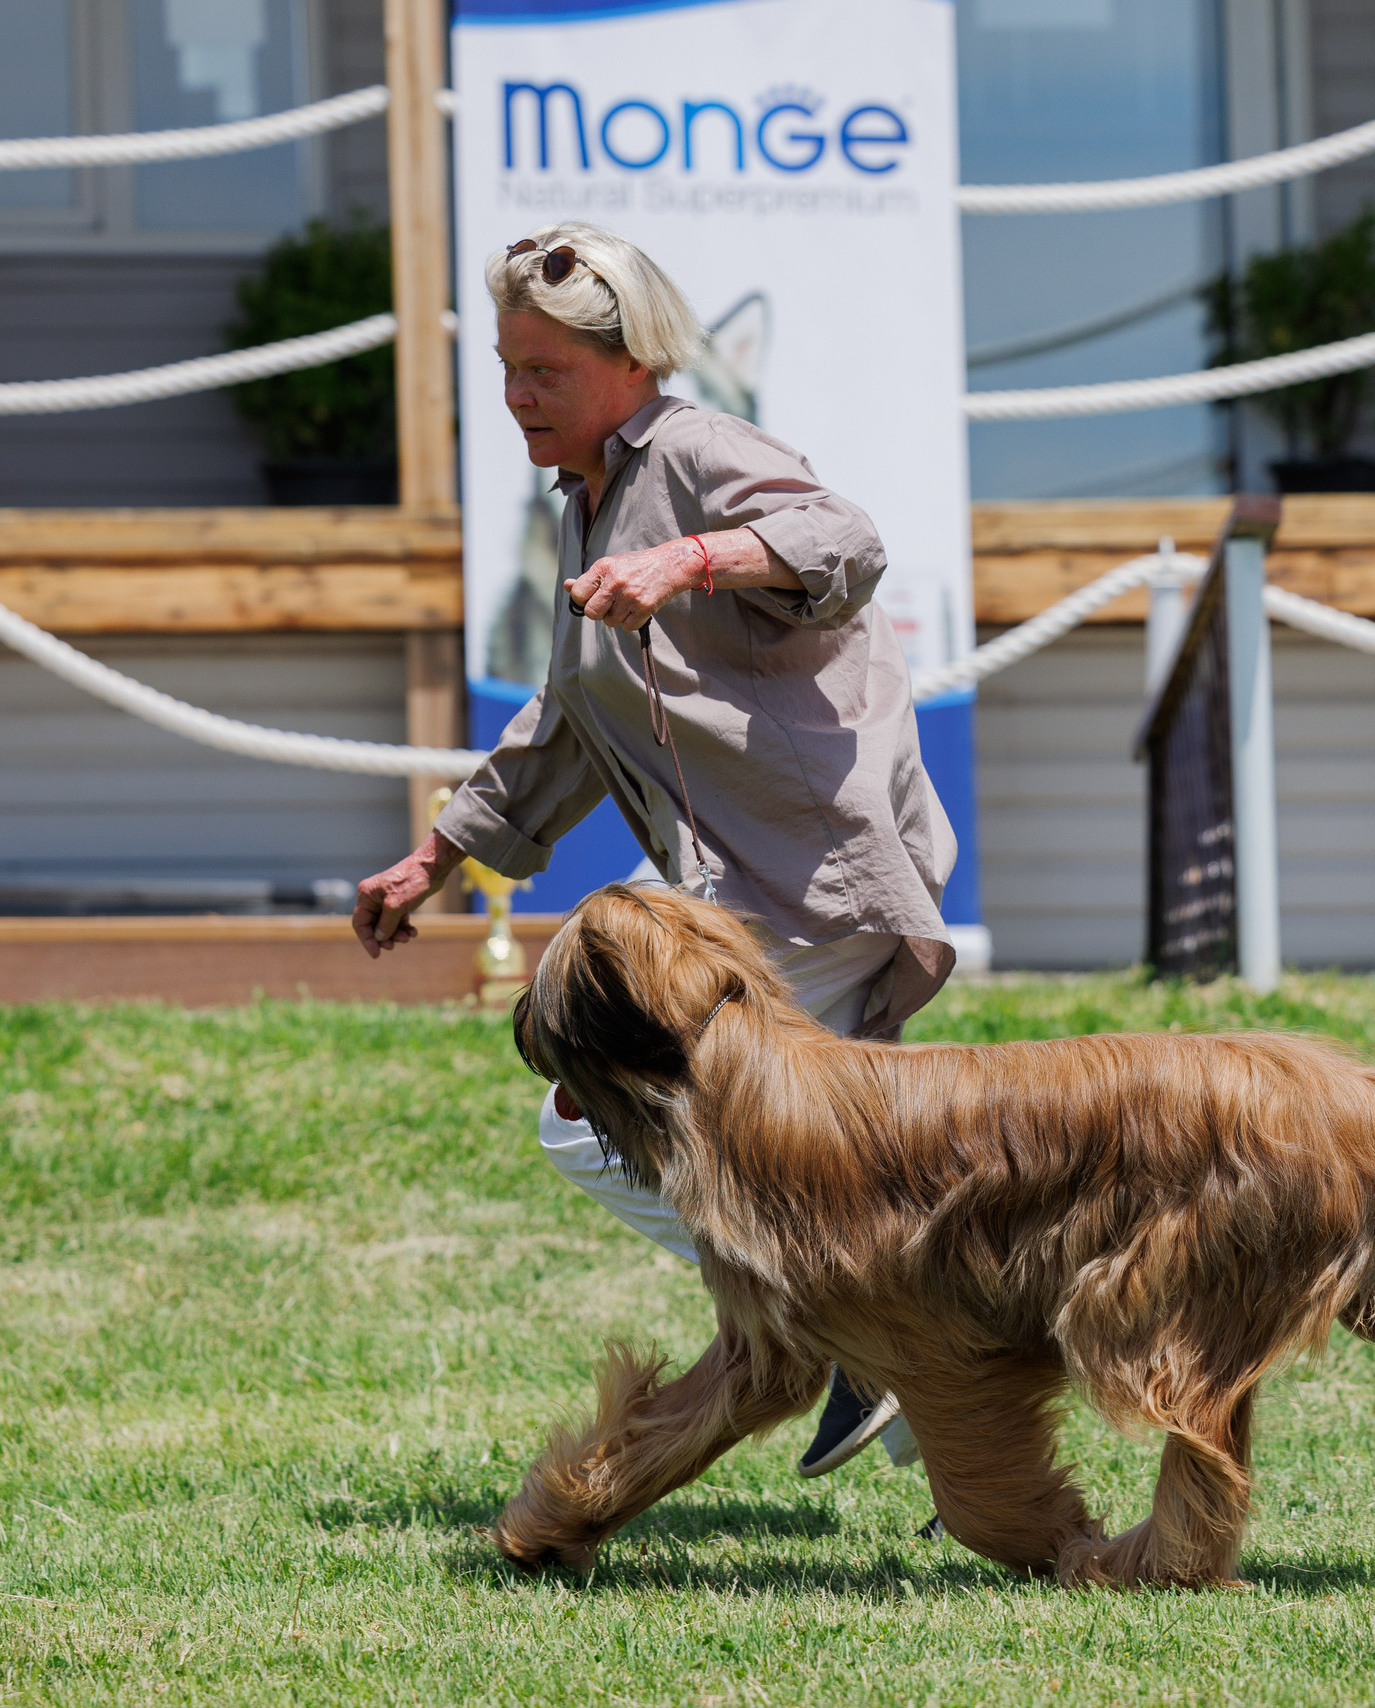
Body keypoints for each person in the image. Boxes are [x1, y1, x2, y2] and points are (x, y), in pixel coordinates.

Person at [351, 222, 957, 1479]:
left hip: (813, 882)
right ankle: (898, 1350)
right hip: (736, 890)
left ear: (629, 362)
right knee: (772, 1157)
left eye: (545, 371)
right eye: (507, 368)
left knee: (597, 1120)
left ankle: (863, 1326)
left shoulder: (691, 450)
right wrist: (436, 858)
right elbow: (573, 711)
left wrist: (689, 559)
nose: (517, 395)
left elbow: (845, 540)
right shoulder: (587, 499)